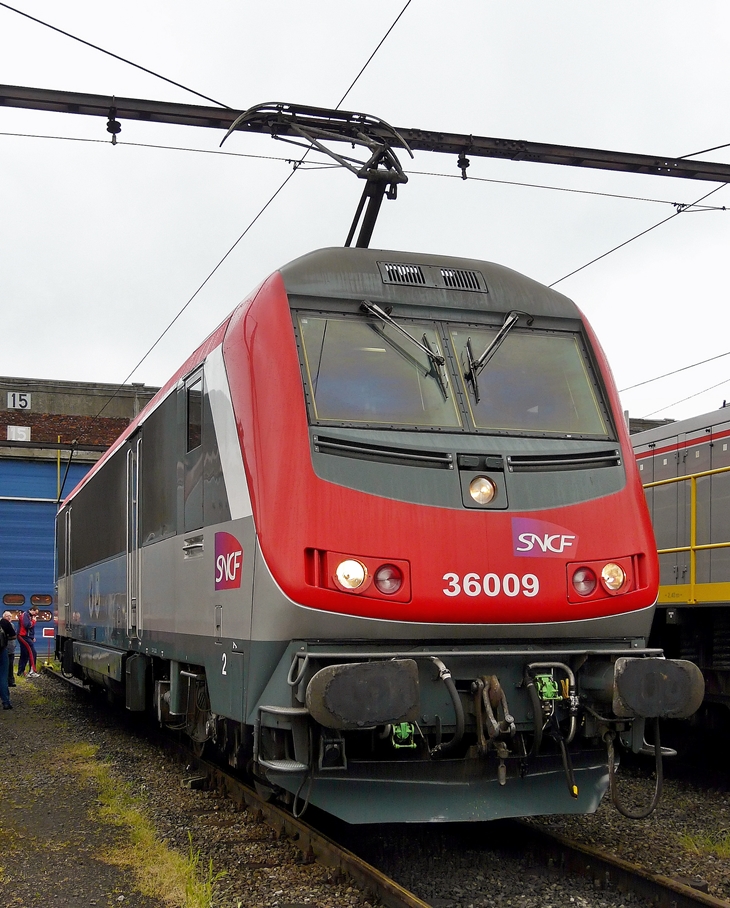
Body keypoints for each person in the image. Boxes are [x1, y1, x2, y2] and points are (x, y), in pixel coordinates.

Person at [17, 605, 40, 679]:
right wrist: (33, 621)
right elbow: (27, 625)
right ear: (32, 610)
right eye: (35, 613)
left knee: (25, 654)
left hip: (25, 636)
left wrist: (32, 637)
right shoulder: (26, 615)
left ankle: (20, 671)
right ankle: (32, 671)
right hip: (23, 636)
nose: (35, 615)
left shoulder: (28, 616)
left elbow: (31, 629)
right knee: (33, 652)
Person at [0, 611, 16, 709]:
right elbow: (14, 636)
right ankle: (6, 702)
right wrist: (6, 638)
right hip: (2, 651)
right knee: (3, 677)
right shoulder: (4, 623)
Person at [2, 610, 18, 687]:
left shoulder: (12, 625)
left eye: (10, 616)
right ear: (3, 617)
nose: (9, 617)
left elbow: (14, 636)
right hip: (4, 649)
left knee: (11, 665)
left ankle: (10, 681)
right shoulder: (3, 625)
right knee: (5, 666)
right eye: (7, 616)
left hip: (11, 649)